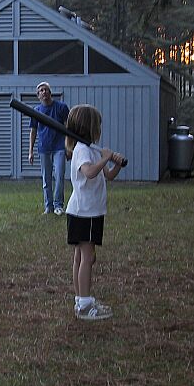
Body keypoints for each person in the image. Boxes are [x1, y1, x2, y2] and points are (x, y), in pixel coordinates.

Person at [64, 104, 123, 321]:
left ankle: (81, 300)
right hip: (84, 212)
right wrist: (105, 158)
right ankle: (85, 304)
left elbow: (107, 175)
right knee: (86, 258)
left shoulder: (90, 150)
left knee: (82, 257)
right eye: (98, 124)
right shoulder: (82, 150)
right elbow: (89, 172)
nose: (100, 128)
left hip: (89, 211)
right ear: (90, 127)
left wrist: (116, 164)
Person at [28, 81, 70, 215]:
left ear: (50, 92)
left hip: (59, 147)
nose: (44, 92)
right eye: (41, 90)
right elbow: (33, 131)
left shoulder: (61, 107)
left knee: (59, 176)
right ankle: (48, 207)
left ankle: (58, 205)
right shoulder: (36, 111)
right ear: (38, 96)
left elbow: (68, 128)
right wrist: (30, 151)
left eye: (46, 89)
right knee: (46, 179)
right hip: (44, 148)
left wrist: (69, 147)